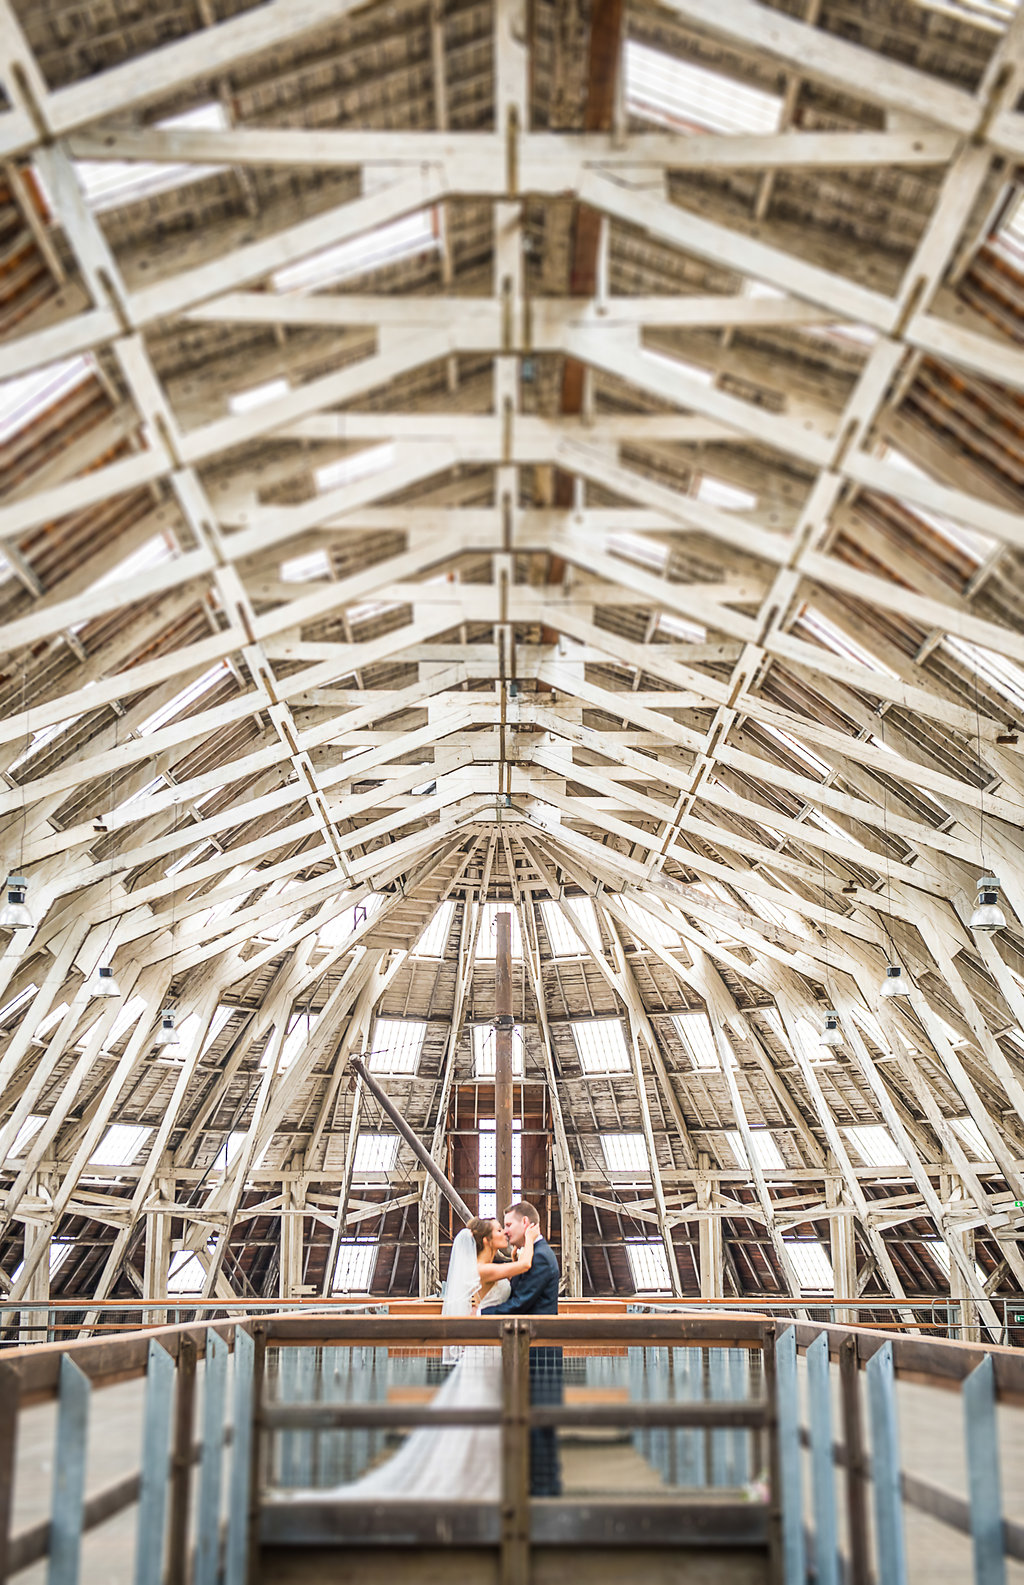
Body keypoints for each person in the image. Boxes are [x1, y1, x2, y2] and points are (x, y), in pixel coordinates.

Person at [300, 1217, 533, 1500]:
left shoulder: (485, 1268)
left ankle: (482, 1475)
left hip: (488, 1346)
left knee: (483, 1406)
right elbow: (522, 1267)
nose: (504, 1235)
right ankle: (478, 1479)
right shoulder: (482, 1269)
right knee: (484, 1407)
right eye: (499, 1231)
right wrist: (530, 1240)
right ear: (486, 1241)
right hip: (485, 1349)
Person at [487, 1201, 563, 1496]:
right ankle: (537, 1482)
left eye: (509, 1224)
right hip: (528, 1350)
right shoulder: (531, 1254)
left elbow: (521, 1303)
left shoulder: (541, 1258)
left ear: (527, 1224)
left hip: (540, 1351)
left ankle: (545, 1487)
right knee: (530, 1417)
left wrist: (482, 1314)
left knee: (540, 1417)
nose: (506, 1230)